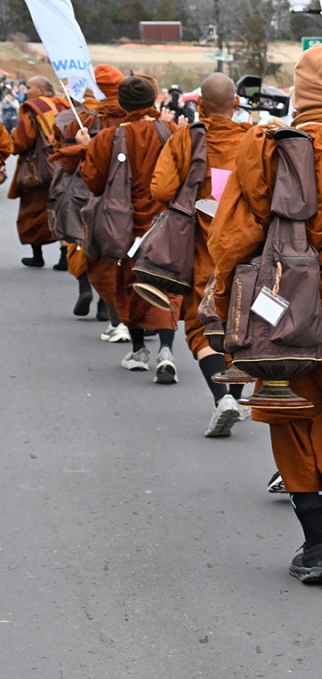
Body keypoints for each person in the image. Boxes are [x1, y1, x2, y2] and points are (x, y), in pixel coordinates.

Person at [208, 45, 322, 585]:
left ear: (299, 89)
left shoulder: (267, 146)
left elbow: (235, 235)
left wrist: (225, 300)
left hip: (284, 300)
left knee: (289, 407)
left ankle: (315, 546)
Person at [150, 72, 257, 436]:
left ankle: (222, 399)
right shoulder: (253, 140)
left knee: (202, 325)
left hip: (203, 246)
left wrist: (194, 198)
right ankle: (236, 398)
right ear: (237, 104)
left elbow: (161, 188)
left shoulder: (186, 138)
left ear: (198, 104)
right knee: (240, 323)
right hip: (246, 246)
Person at [80, 75, 180, 380]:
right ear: (152, 101)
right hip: (166, 223)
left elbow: (94, 182)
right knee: (164, 282)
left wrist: (87, 148)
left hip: (124, 225)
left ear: (122, 105)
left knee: (129, 281)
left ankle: (139, 351)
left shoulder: (107, 138)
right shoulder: (170, 131)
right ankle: (166, 349)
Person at [52, 64, 129, 333]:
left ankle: (91, 290)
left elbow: (68, 165)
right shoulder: (135, 117)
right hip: (127, 197)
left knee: (86, 246)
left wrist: (83, 147)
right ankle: (108, 305)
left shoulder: (82, 118)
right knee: (119, 254)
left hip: (89, 192)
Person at [8, 76, 72, 270]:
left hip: (38, 171)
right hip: (63, 166)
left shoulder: (32, 108)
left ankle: (37, 256)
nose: (26, 91)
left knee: (32, 211)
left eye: (29, 87)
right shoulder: (63, 105)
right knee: (60, 211)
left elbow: (22, 141)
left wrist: (12, 137)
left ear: (42, 90)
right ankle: (64, 257)